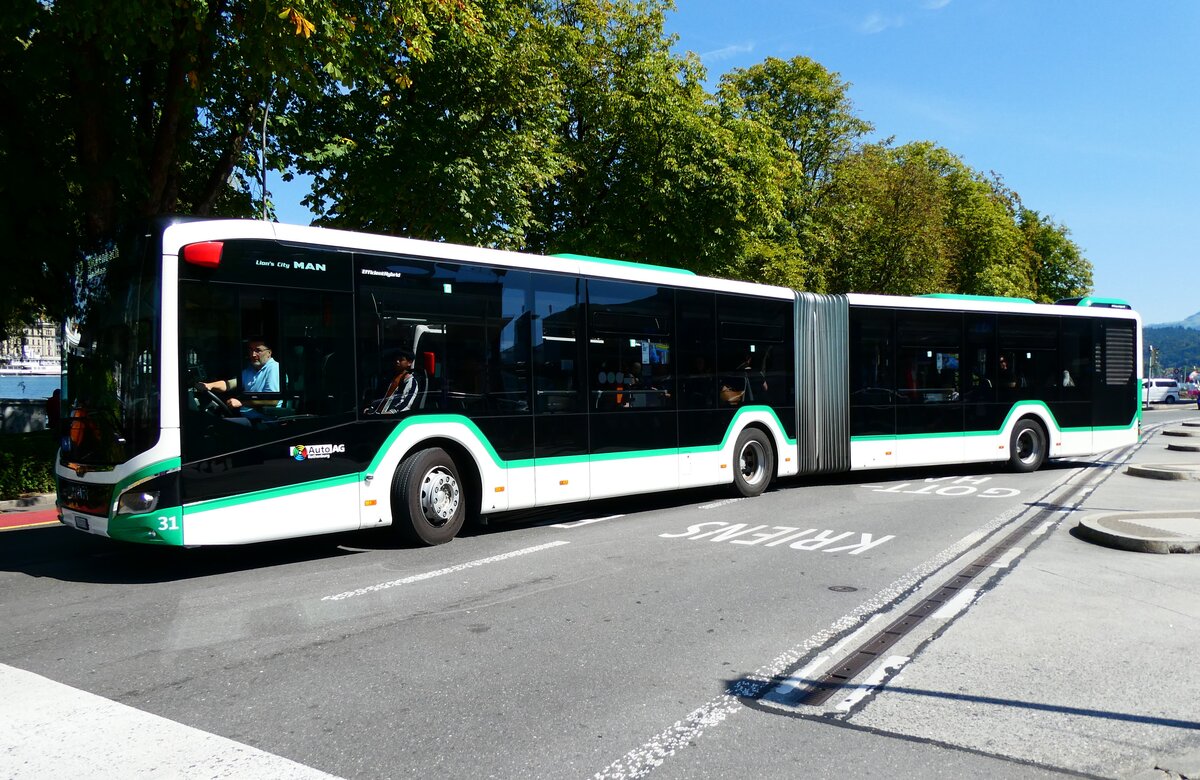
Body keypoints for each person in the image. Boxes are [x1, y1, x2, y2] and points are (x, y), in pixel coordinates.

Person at [199, 338, 281, 413]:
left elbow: (273, 400)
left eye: (258, 350)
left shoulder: (274, 368)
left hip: (264, 421)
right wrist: (209, 385)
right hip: (246, 416)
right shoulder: (251, 369)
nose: (253, 354)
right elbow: (230, 384)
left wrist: (241, 402)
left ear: (269, 353)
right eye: (251, 350)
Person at [367, 349, 420, 414]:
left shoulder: (410, 381)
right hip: (377, 416)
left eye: (401, 360)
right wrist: (370, 408)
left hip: (392, 419)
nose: (397, 361)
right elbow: (379, 397)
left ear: (409, 363)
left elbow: (406, 403)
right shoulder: (388, 378)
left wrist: (391, 413)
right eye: (396, 359)